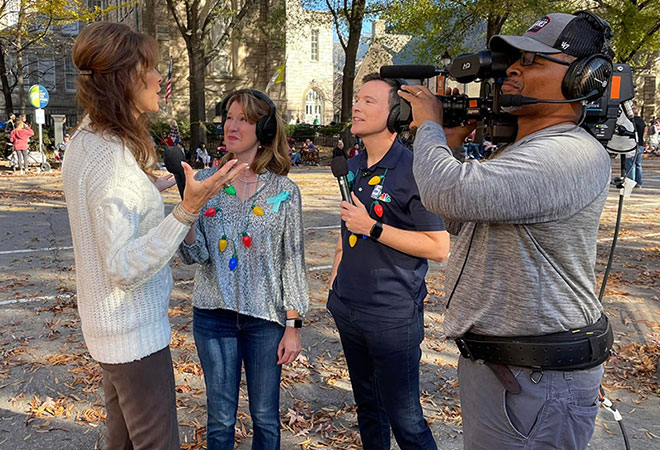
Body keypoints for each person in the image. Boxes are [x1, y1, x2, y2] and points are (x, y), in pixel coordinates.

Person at [400, 12, 615, 450]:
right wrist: (450, 147)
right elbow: (463, 221)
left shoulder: (569, 153)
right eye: (512, 60)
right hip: (507, 370)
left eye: (533, 61)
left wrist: (428, 128)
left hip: (537, 376)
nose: (513, 69)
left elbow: (449, 196)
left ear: (582, 78)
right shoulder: (522, 151)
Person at [61, 22, 247, 450]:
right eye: (152, 68)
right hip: (132, 336)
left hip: (110, 331)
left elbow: (102, 209)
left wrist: (148, 188)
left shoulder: (87, 138)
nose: (161, 78)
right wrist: (187, 209)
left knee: (121, 443)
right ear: (125, 78)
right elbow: (124, 266)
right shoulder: (112, 161)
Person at [179, 89, 309, 450]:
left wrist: (293, 326)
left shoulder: (284, 191)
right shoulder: (207, 180)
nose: (231, 126)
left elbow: (292, 261)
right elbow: (196, 255)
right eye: (228, 118)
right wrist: (188, 210)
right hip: (213, 316)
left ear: (265, 129)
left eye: (244, 119)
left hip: (266, 321)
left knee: (266, 418)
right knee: (220, 418)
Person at [328, 73, 449, 450]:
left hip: (392, 317)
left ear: (395, 113)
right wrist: (335, 280)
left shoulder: (413, 169)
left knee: (406, 419)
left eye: (369, 101)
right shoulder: (354, 163)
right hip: (348, 308)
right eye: (357, 100)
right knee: (368, 408)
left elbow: (439, 247)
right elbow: (347, 226)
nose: (357, 107)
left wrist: (373, 228)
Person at [626, 106, 646, 188]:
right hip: (640, 144)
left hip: (632, 144)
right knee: (638, 164)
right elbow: (646, 127)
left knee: (630, 164)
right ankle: (639, 182)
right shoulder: (640, 120)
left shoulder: (630, 121)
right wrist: (643, 137)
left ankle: (631, 182)